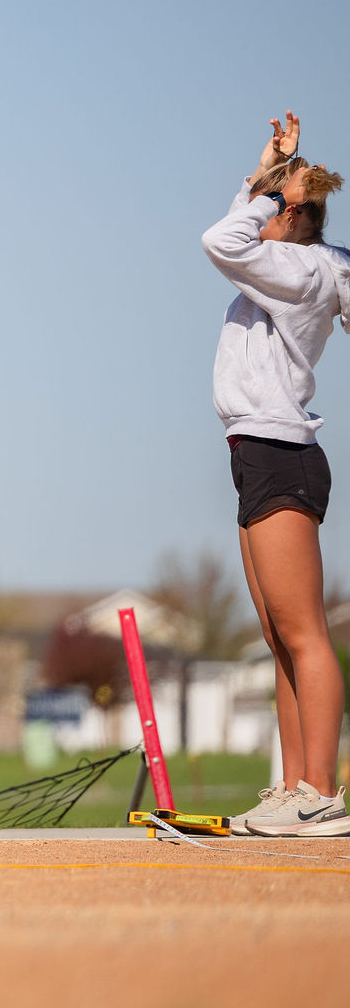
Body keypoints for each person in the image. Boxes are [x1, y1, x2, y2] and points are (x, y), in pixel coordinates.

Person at [203, 112, 350, 837]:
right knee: (279, 635)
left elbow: (220, 239)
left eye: (269, 204)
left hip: (279, 451)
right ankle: (294, 786)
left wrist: (271, 194)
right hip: (255, 450)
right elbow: (241, 233)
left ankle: (320, 791)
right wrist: (265, 173)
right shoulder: (298, 265)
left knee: (304, 632)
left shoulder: (297, 267)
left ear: (288, 213)